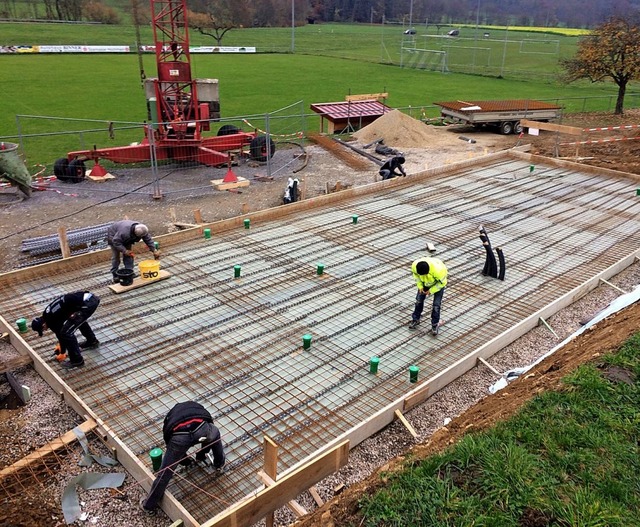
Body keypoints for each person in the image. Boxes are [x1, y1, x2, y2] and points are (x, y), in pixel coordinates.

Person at [140, 401, 226, 514]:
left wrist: (184, 461)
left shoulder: (170, 418)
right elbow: (210, 432)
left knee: (165, 473)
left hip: (179, 438)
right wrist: (202, 453)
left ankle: (148, 506)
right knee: (215, 433)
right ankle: (219, 464)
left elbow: (171, 443)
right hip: (201, 429)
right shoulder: (196, 408)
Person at [31, 291, 100, 369]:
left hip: (87, 304)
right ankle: (92, 341)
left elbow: (61, 335)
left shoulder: (51, 320)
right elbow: (60, 333)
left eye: (43, 329)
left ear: (43, 325)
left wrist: (63, 352)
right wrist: (61, 346)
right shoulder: (47, 313)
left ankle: (77, 360)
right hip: (89, 298)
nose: (45, 330)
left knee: (67, 333)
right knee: (77, 320)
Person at [409, 257, 448, 335]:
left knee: (436, 305)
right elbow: (416, 277)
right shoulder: (415, 266)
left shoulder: (439, 271)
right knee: (418, 300)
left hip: (437, 284)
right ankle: (415, 319)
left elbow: (442, 283)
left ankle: (435, 324)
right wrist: (420, 287)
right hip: (424, 283)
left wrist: (431, 291)